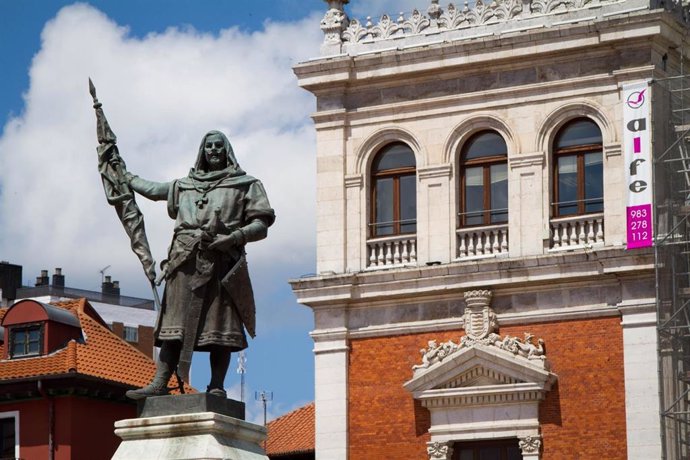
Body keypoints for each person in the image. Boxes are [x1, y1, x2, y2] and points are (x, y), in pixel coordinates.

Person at [124, 130, 275, 399]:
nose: (214, 150)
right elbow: (154, 190)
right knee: (174, 325)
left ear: (226, 150)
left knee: (219, 328)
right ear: (202, 151)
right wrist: (125, 177)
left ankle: (216, 386)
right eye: (209, 146)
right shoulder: (185, 185)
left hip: (221, 263)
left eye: (219, 146)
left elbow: (261, 224)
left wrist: (234, 237)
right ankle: (160, 382)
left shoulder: (245, 184)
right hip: (183, 261)